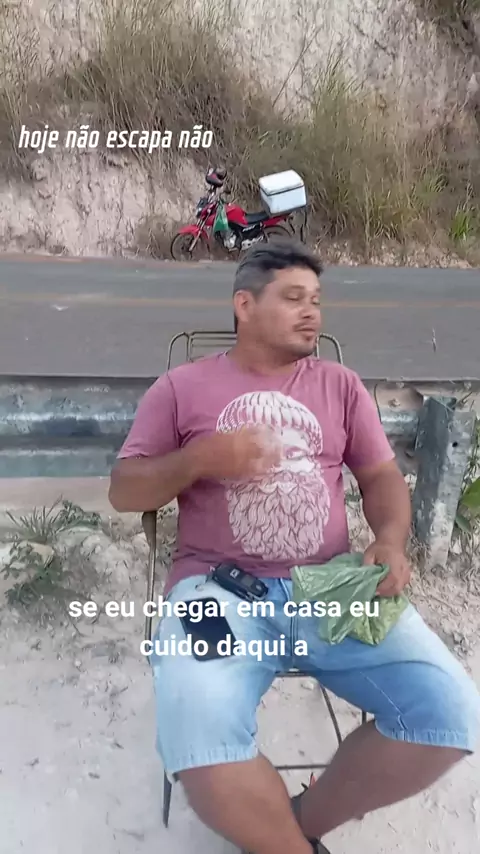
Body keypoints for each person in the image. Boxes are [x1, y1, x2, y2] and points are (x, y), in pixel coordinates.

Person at [109, 240, 480, 854]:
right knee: (201, 741)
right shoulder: (181, 388)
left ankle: (293, 825)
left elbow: (382, 478)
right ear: (244, 305)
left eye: (316, 300)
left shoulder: (340, 385)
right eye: (293, 298)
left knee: (449, 714)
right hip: (218, 594)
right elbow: (125, 491)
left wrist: (390, 540)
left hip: (333, 585)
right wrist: (201, 458)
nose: (312, 312)